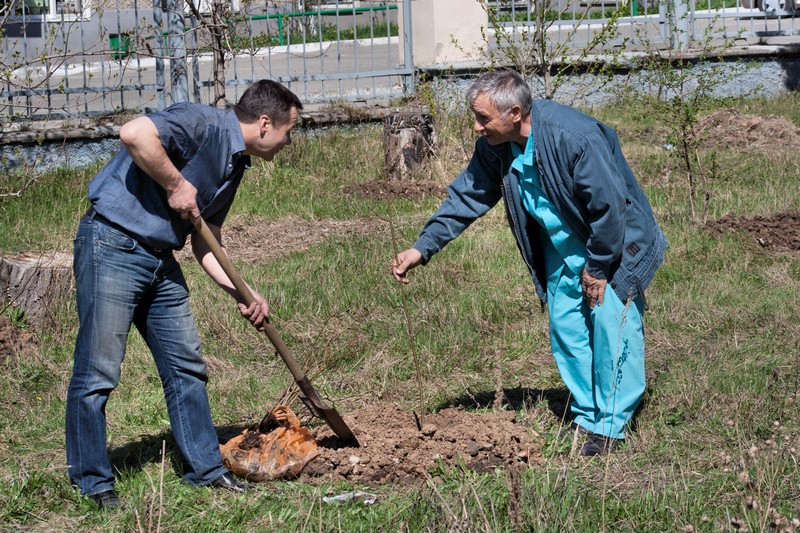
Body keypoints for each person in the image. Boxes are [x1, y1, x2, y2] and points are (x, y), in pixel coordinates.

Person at [391, 70, 667, 457]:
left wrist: (600, 267)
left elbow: (609, 209)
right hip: (560, 242)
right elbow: (468, 195)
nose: (476, 126)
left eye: (483, 118)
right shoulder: (496, 144)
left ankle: (611, 425)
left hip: (616, 240)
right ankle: (589, 413)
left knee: (611, 323)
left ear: (516, 112)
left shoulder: (575, 138)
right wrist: (422, 248)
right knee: (567, 325)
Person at [66, 80, 302, 508]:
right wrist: (176, 184)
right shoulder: (203, 123)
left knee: (187, 366)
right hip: (113, 245)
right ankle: (93, 482)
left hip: (161, 258)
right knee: (98, 372)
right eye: (289, 131)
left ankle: (205, 470)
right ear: (265, 124)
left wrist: (243, 292)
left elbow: (206, 238)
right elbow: (135, 134)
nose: (289, 142)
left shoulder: (235, 164)